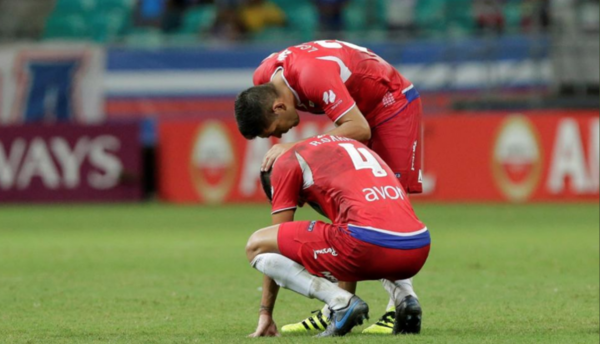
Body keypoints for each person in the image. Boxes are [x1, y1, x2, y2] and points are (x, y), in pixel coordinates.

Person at [234, 39, 424, 334]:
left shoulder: (312, 76)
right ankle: (341, 303)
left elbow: (359, 128)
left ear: (278, 106)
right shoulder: (263, 80)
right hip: (358, 108)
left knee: (384, 204)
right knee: (350, 206)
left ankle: (399, 304)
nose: (280, 135)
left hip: (391, 103)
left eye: (275, 130)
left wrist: (297, 147)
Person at [246, 135, 430, 337]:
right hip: (418, 247)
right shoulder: (348, 149)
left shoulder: (287, 163)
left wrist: (266, 312)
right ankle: (406, 298)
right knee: (373, 229)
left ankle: (339, 303)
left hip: (368, 246)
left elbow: (275, 240)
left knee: (257, 244)